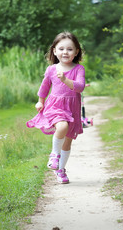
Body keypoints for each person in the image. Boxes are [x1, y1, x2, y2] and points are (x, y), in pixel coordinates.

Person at [26, 31, 85, 184]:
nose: (65, 52)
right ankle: (54, 154)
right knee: (62, 126)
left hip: (72, 107)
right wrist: (40, 101)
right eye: (61, 48)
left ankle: (61, 170)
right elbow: (44, 87)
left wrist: (66, 80)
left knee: (68, 141)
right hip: (55, 106)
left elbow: (80, 87)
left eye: (70, 49)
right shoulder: (52, 69)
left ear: (76, 51)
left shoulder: (79, 69)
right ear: (54, 50)